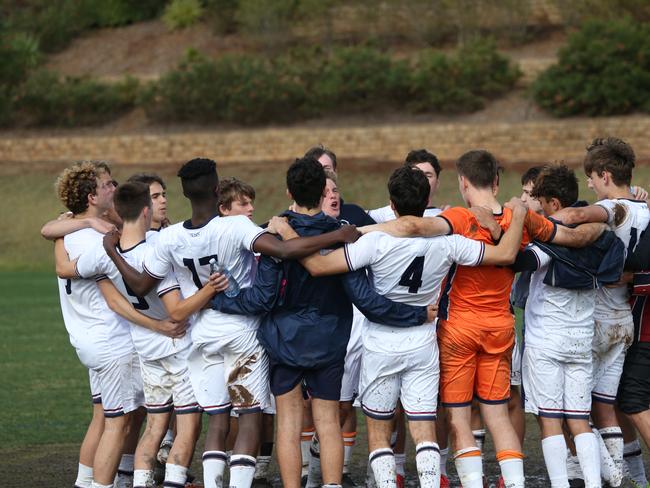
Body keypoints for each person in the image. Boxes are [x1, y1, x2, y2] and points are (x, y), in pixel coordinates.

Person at [102, 158, 361, 488]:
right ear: (216, 188)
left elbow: (139, 285)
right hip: (241, 332)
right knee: (251, 419)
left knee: (218, 421)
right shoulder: (235, 226)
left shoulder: (169, 238)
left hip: (201, 334)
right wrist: (337, 235)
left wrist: (112, 251)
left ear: (182, 193)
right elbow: (283, 251)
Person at [358, 149, 607, 488]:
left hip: (459, 328)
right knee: (497, 415)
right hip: (500, 327)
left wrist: (351, 233)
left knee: (459, 417)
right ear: (496, 181)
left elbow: (413, 225)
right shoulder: (522, 218)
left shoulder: (460, 218)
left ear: (463, 182)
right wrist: (606, 217)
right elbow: (571, 236)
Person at [270, 166, 531, 488]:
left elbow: (317, 265)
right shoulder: (449, 243)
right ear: (427, 204)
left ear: (391, 205)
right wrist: (517, 214)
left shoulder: (375, 242)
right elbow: (506, 253)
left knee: (379, 429)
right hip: (423, 343)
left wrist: (288, 233)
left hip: (381, 342)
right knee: (423, 429)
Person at [210, 157, 435, 488]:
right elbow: (365, 298)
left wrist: (220, 300)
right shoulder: (341, 233)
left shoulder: (274, 234)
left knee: (288, 422)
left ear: (289, 191)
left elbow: (262, 298)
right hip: (329, 340)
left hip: (284, 340)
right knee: (328, 421)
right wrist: (415, 313)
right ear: (322, 192)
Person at [56, 181, 220, 488]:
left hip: (145, 349)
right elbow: (176, 310)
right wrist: (210, 288)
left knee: (153, 425)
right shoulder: (159, 248)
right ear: (146, 211)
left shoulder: (103, 253)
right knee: (185, 425)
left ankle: (139, 482)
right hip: (177, 344)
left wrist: (61, 231)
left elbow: (65, 269)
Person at [550, 137, 650, 487]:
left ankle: (592, 476)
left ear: (605, 174)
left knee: (570, 408)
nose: (589, 184)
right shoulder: (646, 208)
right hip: (624, 319)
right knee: (607, 406)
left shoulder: (616, 209)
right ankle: (622, 479)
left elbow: (579, 214)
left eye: (591, 177)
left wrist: (542, 221)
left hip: (596, 320)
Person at [518, 164, 623, 488]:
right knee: (579, 420)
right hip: (581, 341)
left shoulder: (547, 245)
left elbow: (515, 261)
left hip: (546, 342)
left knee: (549, 420)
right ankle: (594, 484)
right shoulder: (604, 240)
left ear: (551, 203)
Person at [48, 162, 151, 488]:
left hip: (89, 341)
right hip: (111, 342)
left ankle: (85, 482)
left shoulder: (68, 230)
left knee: (104, 417)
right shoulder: (96, 241)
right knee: (117, 424)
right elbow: (129, 286)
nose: (114, 188)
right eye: (108, 184)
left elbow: (52, 234)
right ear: (92, 196)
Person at [367, 149, 445, 223]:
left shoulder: (445, 217)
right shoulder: (387, 212)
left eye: (428, 175)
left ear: (437, 183)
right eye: (416, 174)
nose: (422, 179)